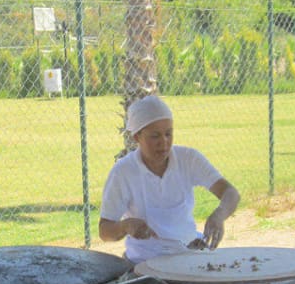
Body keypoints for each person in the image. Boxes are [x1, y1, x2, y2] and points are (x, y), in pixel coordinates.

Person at [99, 95, 241, 264]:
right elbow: (105, 230)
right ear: (137, 137)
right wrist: (125, 226)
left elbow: (230, 193)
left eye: (168, 133)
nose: (164, 142)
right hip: (145, 261)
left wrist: (219, 215)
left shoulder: (188, 158)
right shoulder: (123, 172)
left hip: (189, 253)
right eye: (155, 136)